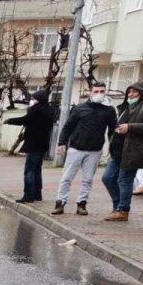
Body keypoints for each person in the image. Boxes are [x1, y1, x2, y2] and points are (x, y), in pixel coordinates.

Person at [52, 81, 116, 216]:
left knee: (87, 179)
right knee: (67, 177)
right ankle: (60, 203)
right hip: (76, 148)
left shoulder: (109, 110)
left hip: (95, 150)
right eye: (96, 91)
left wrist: (113, 146)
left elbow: (112, 130)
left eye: (102, 91)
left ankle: (81, 204)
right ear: (90, 92)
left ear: (105, 92)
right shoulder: (80, 108)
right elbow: (68, 126)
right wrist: (61, 142)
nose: (99, 94)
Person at [102, 82, 143, 221]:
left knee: (124, 180)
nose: (131, 94)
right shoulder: (127, 107)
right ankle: (118, 207)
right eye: (129, 92)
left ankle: (123, 210)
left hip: (133, 151)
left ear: (142, 92)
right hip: (117, 151)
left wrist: (130, 127)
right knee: (107, 178)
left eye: (135, 92)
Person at [3, 89, 57, 203]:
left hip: (33, 143)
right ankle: (37, 194)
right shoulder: (50, 111)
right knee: (37, 170)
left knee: (29, 171)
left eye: (33, 98)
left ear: (39, 100)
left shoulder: (35, 110)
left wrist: (9, 120)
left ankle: (28, 195)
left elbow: (24, 120)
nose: (32, 101)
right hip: (43, 144)